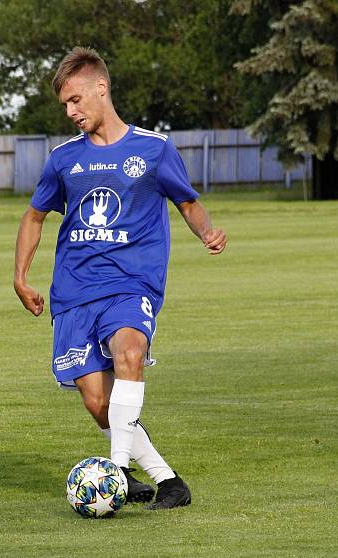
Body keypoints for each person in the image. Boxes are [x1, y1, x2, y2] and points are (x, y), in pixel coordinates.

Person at [14, 48, 226, 510]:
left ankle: (114, 472)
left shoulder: (154, 149)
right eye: (65, 105)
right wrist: (21, 277)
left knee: (130, 351)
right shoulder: (63, 159)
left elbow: (188, 203)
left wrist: (206, 230)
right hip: (72, 293)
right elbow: (33, 217)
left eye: (75, 100)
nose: (70, 112)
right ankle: (169, 482)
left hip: (132, 285)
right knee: (98, 403)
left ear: (100, 88)